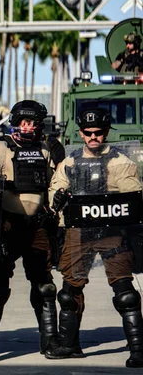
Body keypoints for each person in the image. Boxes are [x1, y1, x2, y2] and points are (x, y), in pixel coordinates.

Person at [46, 107, 143, 368]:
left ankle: (138, 348)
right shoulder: (69, 162)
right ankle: (69, 345)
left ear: (106, 132)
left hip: (112, 232)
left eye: (98, 133)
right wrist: (57, 200)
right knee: (69, 292)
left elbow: (133, 198)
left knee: (125, 293)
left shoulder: (121, 161)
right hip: (79, 233)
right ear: (80, 133)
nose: (93, 137)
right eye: (88, 133)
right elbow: (55, 194)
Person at [0, 100, 59, 356]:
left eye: (33, 123)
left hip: (37, 225)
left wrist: (54, 213)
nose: (27, 128)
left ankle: (50, 340)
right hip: (7, 225)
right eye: (23, 123)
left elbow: (53, 185)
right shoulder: (0, 148)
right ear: (15, 123)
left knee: (44, 285)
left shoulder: (45, 149)